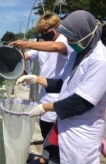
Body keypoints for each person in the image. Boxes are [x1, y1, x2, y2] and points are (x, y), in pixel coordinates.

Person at [15, 10, 106, 164]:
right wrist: (36, 78)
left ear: (85, 34)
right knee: (55, 156)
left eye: (71, 39)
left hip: (81, 132)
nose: (69, 42)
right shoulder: (79, 54)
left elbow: (81, 102)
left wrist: (44, 107)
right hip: (64, 123)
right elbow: (64, 84)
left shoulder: (100, 61)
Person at [10, 11, 74, 163]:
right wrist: (19, 62)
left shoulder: (64, 41)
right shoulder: (42, 47)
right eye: (41, 33)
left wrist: (26, 43)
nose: (44, 35)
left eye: (46, 31)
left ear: (56, 27)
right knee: (46, 132)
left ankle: (52, 159)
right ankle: (46, 158)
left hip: (59, 97)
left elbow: (56, 47)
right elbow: (25, 55)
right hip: (44, 96)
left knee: (57, 138)